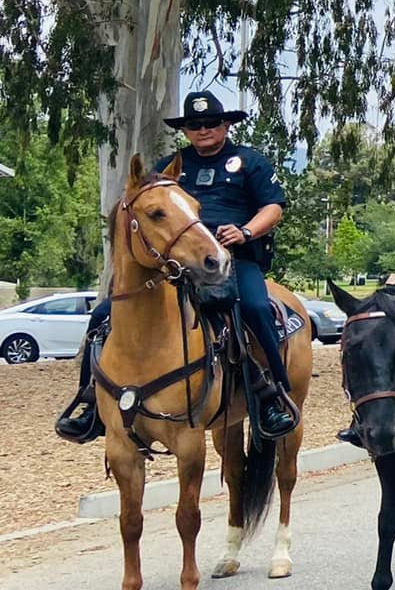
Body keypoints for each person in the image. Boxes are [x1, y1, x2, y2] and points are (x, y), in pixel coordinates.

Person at [55, 90, 299, 443]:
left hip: (230, 258)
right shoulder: (170, 166)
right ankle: (91, 403)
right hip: (175, 264)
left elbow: (273, 208)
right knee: (103, 316)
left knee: (257, 309)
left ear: (226, 124)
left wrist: (246, 231)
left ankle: (270, 395)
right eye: (194, 125)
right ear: (185, 130)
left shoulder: (250, 162)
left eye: (211, 123)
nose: (203, 130)